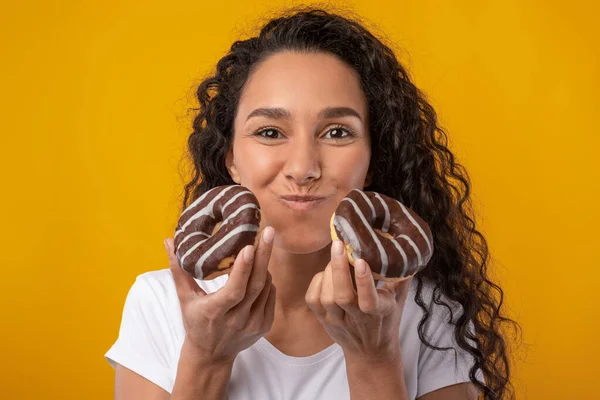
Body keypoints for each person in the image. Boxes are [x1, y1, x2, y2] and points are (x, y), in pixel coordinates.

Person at [105, 6, 518, 400]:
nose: (303, 168)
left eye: (337, 133)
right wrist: (207, 356)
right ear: (231, 158)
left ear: (373, 161)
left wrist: (374, 358)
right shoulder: (159, 304)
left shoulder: (426, 314)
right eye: (269, 132)